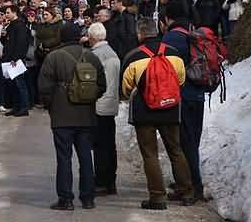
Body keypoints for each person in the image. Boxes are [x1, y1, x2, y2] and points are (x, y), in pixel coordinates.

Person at [121, 18, 194, 210]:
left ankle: (157, 197)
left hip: (144, 111)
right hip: (170, 109)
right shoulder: (174, 54)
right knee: (176, 150)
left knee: (150, 154)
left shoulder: (133, 57)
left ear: (140, 34)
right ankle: (186, 192)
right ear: (158, 31)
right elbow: (180, 80)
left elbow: (126, 88)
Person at [38, 23, 106, 210]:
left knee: (64, 158)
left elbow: (44, 88)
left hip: (62, 116)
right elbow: (102, 85)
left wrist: (52, 106)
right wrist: (88, 98)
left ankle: (66, 199)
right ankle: (88, 198)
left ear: (61, 37)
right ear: (79, 37)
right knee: (85, 157)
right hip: (86, 116)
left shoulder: (53, 57)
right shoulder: (91, 56)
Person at [161, 1, 207, 201]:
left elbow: (165, 68)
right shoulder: (194, 33)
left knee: (183, 144)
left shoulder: (171, 37)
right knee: (192, 143)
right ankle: (186, 183)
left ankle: (193, 188)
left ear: (168, 18)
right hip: (198, 96)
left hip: (181, 96)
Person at [86, 23, 120, 196]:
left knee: (99, 147)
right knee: (109, 145)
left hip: (99, 105)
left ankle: (101, 181)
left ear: (91, 37)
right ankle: (110, 181)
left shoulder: (95, 56)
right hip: (111, 103)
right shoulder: (113, 53)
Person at [2, 5, 30, 117]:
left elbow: (21, 44)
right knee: (12, 84)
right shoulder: (10, 26)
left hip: (16, 60)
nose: (6, 14)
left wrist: (16, 58)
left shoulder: (20, 26)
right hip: (8, 58)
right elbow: (7, 42)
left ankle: (24, 107)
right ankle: (16, 106)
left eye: (8, 12)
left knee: (20, 84)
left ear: (15, 13)